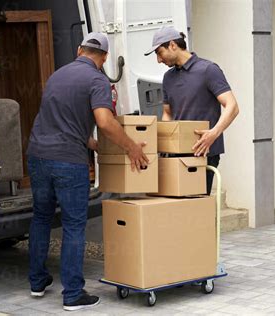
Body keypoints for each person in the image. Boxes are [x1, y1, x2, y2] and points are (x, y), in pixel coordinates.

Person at [26, 32, 149, 311]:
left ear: (79, 50)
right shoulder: (97, 80)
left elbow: (61, 119)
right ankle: (72, 294)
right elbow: (105, 122)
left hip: (37, 155)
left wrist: (91, 143)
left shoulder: (57, 75)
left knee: (42, 217)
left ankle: (37, 282)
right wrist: (131, 147)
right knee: (73, 225)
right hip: (68, 161)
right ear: (104, 57)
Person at [144, 26, 239, 195]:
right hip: (176, 153)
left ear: (172, 45)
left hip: (203, 151)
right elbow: (168, 113)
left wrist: (213, 133)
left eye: (159, 53)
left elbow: (232, 106)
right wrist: (164, 144)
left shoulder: (208, 70)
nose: (158, 60)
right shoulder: (168, 77)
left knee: (197, 210)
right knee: (177, 210)